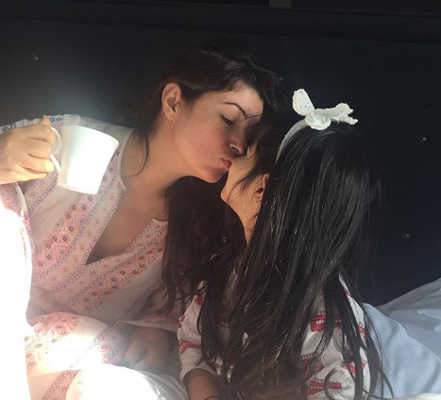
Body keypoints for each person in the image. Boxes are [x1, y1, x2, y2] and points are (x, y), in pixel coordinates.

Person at [0, 37, 286, 399]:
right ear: (173, 101)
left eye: (248, 134)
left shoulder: (200, 227)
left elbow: (176, 313)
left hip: (67, 346)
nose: (239, 143)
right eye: (229, 119)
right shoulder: (67, 139)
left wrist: (154, 332)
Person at [177, 89, 441, 400]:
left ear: (261, 192)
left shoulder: (326, 325)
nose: (232, 156)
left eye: (244, 153)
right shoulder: (225, 273)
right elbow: (194, 346)